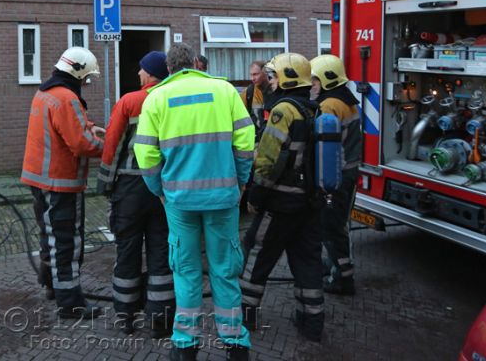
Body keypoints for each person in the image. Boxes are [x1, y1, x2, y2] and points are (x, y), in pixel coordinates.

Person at [134, 43, 254, 361]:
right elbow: (246, 140)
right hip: (223, 198)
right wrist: (241, 182)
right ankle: (235, 343)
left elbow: (145, 154)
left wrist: (159, 189)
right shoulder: (225, 91)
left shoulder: (156, 98)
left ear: (170, 69)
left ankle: (186, 345)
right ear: (195, 64)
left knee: (185, 271)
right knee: (225, 270)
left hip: (179, 200)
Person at [240, 52, 325, 342]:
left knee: (256, 254)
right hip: (309, 203)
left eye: (275, 76)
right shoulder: (316, 109)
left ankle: (245, 316)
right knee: (307, 262)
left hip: (280, 203)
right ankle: (311, 323)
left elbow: (268, 158)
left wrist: (256, 195)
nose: (271, 81)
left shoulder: (283, 110)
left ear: (288, 78)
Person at [21, 46, 105, 319]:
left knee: (51, 237)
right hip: (60, 184)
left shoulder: (44, 93)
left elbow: (64, 127)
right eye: (86, 77)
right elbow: (81, 144)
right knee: (68, 242)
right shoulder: (67, 98)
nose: (85, 82)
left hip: (40, 180)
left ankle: (51, 285)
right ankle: (70, 303)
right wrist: (109, 145)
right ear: (77, 72)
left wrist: (89, 126)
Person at [96, 51, 175, 336]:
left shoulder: (130, 101)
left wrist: (104, 183)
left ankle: (126, 317)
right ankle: (161, 320)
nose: (139, 74)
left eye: (142, 69)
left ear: (150, 73)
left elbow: (112, 146)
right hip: (164, 190)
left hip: (130, 188)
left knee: (127, 250)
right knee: (161, 252)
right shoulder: (173, 99)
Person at [311, 54, 362, 296]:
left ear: (327, 79)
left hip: (336, 177)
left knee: (332, 227)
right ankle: (334, 269)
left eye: (315, 80)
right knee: (338, 224)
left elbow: (321, 146)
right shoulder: (348, 101)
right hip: (349, 173)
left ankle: (342, 277)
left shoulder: (328, 106)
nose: (312, 85)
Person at [242, 60, 270, 140]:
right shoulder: (248, 93)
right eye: (251, 75)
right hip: (256, 140)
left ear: (265, 73)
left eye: (256, 74)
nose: (252, 78)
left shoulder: (276, 91)